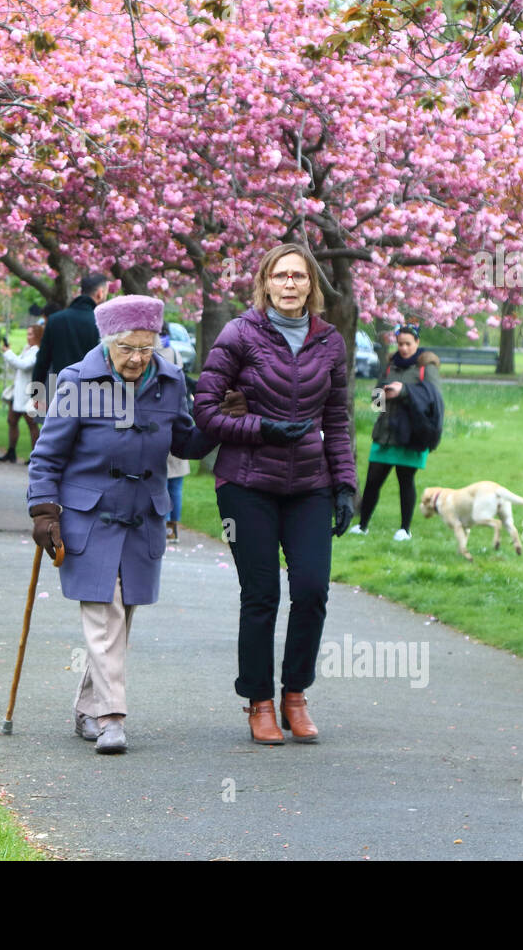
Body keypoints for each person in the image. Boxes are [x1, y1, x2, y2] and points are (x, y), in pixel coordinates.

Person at [27, 295, 246, 755]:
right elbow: (47, 455)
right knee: (104, 616)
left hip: (143, 517)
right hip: (89, 519)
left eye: (147, 348)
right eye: (128, 348)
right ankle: (111, 719)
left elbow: (185, 441)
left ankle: (88, 706)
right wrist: (44, 509)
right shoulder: (76, 382)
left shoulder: (168, 381)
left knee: (120, 620)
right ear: (108, 342)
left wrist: (220, 419)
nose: (137, 358)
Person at [193, 242, 358, 746]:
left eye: (300, 277)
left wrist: (346, 482)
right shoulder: (239, 334)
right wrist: (263, 428)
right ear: (265, 283)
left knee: (311, 590)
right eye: (281, 276)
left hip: (309, 484)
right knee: (261, 595)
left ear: (312, 286)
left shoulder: (329, 342)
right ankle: (259, 701)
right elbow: (205, 412)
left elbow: (338, 418)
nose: (290, 284)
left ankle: (295, 695)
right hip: (247, 485)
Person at [350, 325, 443, 541]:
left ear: (417, 343)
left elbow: (433, 398)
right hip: (385, 432)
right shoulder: (391, 364)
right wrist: (382, 395)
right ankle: (362, 525)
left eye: (408, 344)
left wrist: (404, 392)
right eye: (400, 343)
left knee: (405, 479)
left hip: (411, 434)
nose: (403, 348)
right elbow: (376, 400)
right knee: (373, 479)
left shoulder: (426, 366)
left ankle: (404, 529)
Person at [30, 272, 108, 392]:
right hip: (92, 393)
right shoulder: (102, 322)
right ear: (100, 293)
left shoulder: (55, 319)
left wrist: (36, 394)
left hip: (60, 391)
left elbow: (42, 360)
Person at [154, 325, 189, 542]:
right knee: (175, 486)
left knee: (162, 484)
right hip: (175, 418)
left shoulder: (146, 353)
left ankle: (163, 526)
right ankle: (171, 529)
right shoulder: (174, 352)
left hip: (156, 419)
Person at [0, 324, 42, 463]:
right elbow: (17, 364)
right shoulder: (27, 349)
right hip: (18, 391)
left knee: (31, 424)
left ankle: (35, 455)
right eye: (27, 334)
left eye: (30, 334)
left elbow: (23, 365)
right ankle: (11, 451)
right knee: (11, 420)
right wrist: (9, 354)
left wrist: (9, 353)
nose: (28, 337)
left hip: (28, 392)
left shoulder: (37, 351)